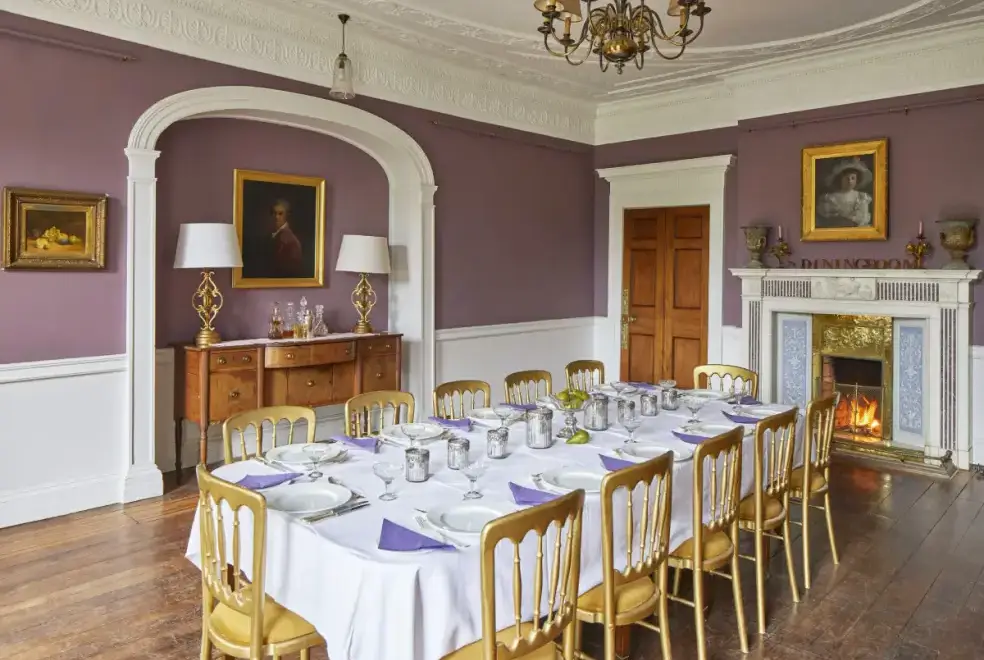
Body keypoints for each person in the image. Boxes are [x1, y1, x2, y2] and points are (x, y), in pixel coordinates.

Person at [816, 157, 873, 228]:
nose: (850, 181)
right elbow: (828, 219)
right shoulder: (830, 198)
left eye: (853, 178)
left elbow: (863, 218)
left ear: (857, 180)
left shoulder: (862, 197)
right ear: (840, 179)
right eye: (847, 178)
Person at [267, 199, 304, 278]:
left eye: (280, 214)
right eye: (274, 213)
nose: (276, 217)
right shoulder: (272, 236)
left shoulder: (290, 240)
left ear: (286, 215)